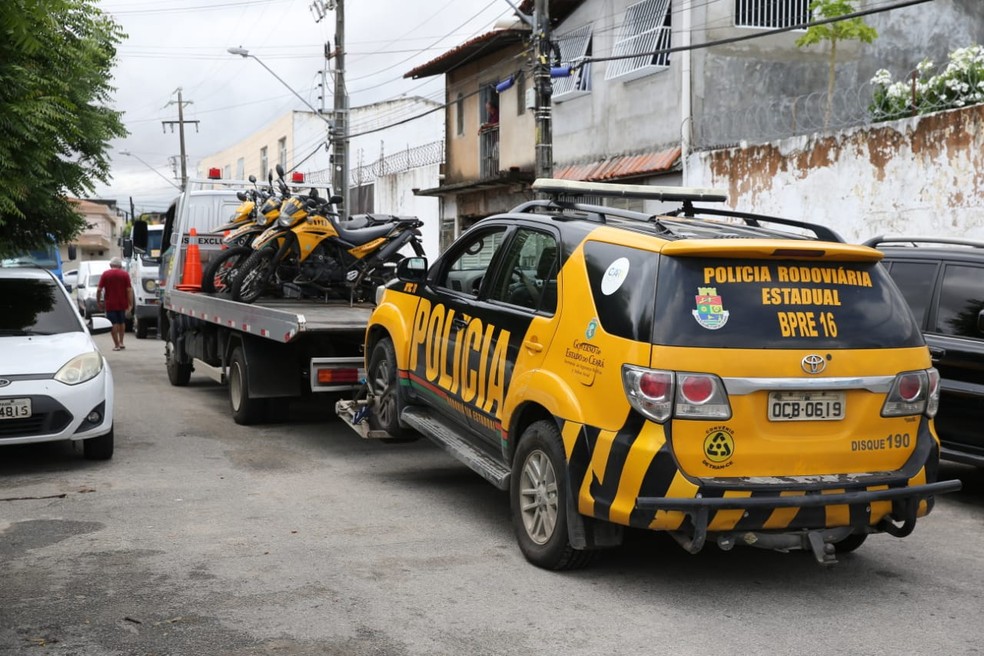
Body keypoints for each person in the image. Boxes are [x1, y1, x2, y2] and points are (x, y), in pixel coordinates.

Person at [96, 257, 133, 351]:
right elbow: (129, 290)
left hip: (110, 304)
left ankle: (116, 345)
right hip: (122, 303)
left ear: (110, 265)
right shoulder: (125, 274)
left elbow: (99, 290)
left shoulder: (105, 274)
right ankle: (121, 342)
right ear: (120, 266)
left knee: (113, 323)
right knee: (121, 322)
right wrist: (130, 303)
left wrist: (98, 301)